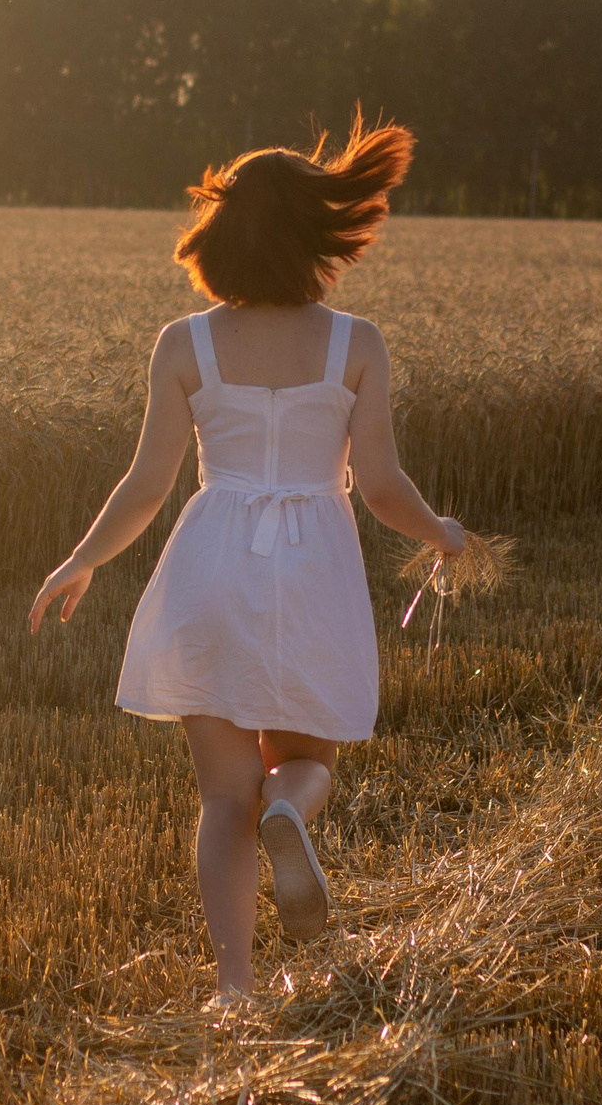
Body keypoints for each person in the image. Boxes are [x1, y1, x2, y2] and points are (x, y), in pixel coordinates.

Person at [27, 117, 467, 1001]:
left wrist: (81, 558)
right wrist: (440, 533)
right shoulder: (356, 344)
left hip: (212, 565)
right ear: (317, 236)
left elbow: (147, 484)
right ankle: (290, 806)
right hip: (312, 569)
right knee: (307, 760)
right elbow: (382, 486)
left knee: (223, 798)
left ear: (224, 233)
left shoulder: (183, 343)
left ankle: (234, 986)